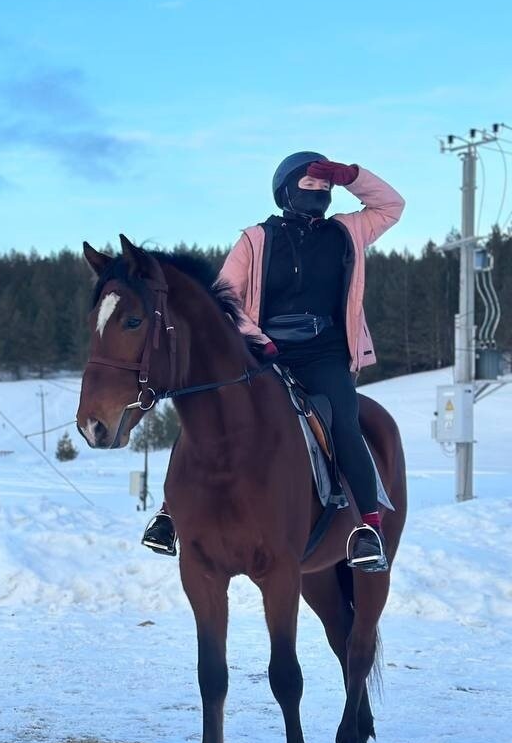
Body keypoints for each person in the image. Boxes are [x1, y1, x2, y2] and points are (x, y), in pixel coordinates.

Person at [142, 153, 404, 572]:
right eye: (309, 186)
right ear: (285, 191)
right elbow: (224, 294)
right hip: (264, 352)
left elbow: (391, 206)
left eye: (325, 188)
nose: (319, 193)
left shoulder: (348, 231)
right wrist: (257, 340)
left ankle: (366, 528)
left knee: (343, 422)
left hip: (326, 353)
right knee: (210, 410)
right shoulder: (255, 239)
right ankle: (170, 514)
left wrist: (353, 177)